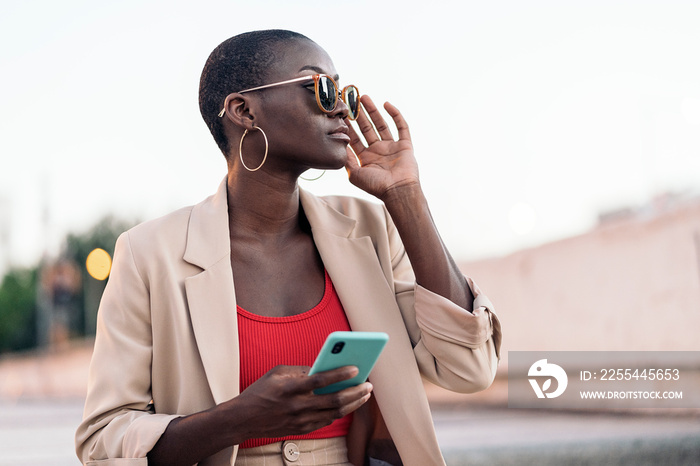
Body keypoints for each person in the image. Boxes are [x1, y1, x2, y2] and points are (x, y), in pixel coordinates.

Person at [75, 29, 502, 466]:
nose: (341, 107)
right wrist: (238, 420)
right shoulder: (150, 253)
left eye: (344, 91)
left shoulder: (371, 230)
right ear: (244, 110)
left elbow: (468, 368)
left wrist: (405, 195)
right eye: (319, 87)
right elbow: (103, 440)